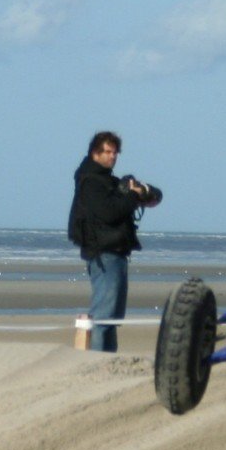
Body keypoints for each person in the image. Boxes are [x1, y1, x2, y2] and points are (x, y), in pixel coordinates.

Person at [69, 131, 158, 352]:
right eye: (107, 152)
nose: (112, 156)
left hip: (116, 253)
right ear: (95, 153)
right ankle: (99, 361)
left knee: (112, 317)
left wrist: (141, 190)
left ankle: (108, 358)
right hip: (104, 254)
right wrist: (132, 196)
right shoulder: (90, 182)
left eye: (115, 152)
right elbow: (109, 212)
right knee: (103, 317)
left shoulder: (110, 181)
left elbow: (155, 195)